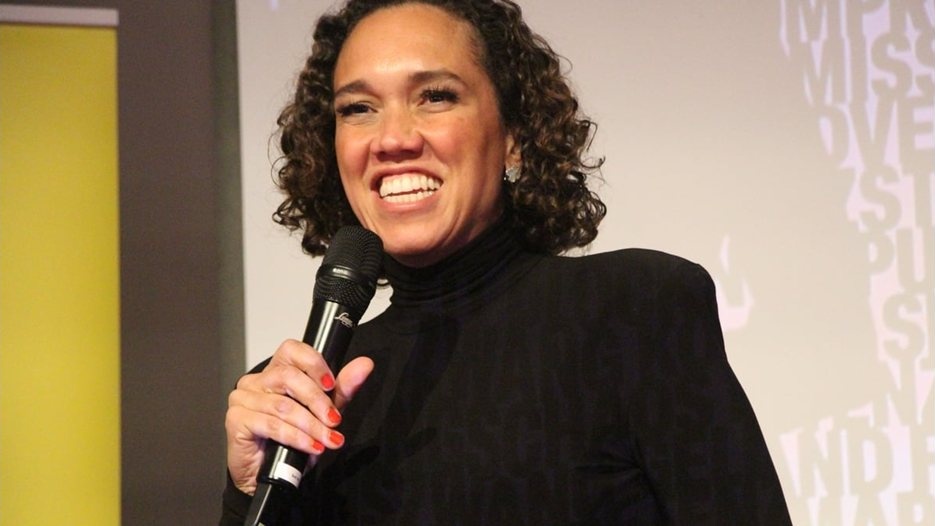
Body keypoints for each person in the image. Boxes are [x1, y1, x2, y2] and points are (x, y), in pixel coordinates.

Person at [221, 0, 792, 524]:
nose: (392, 139)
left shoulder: (633, 311)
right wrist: (249, 491)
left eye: (435, 96)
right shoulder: (299, 402)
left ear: (514, 135)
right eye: (358, 108)